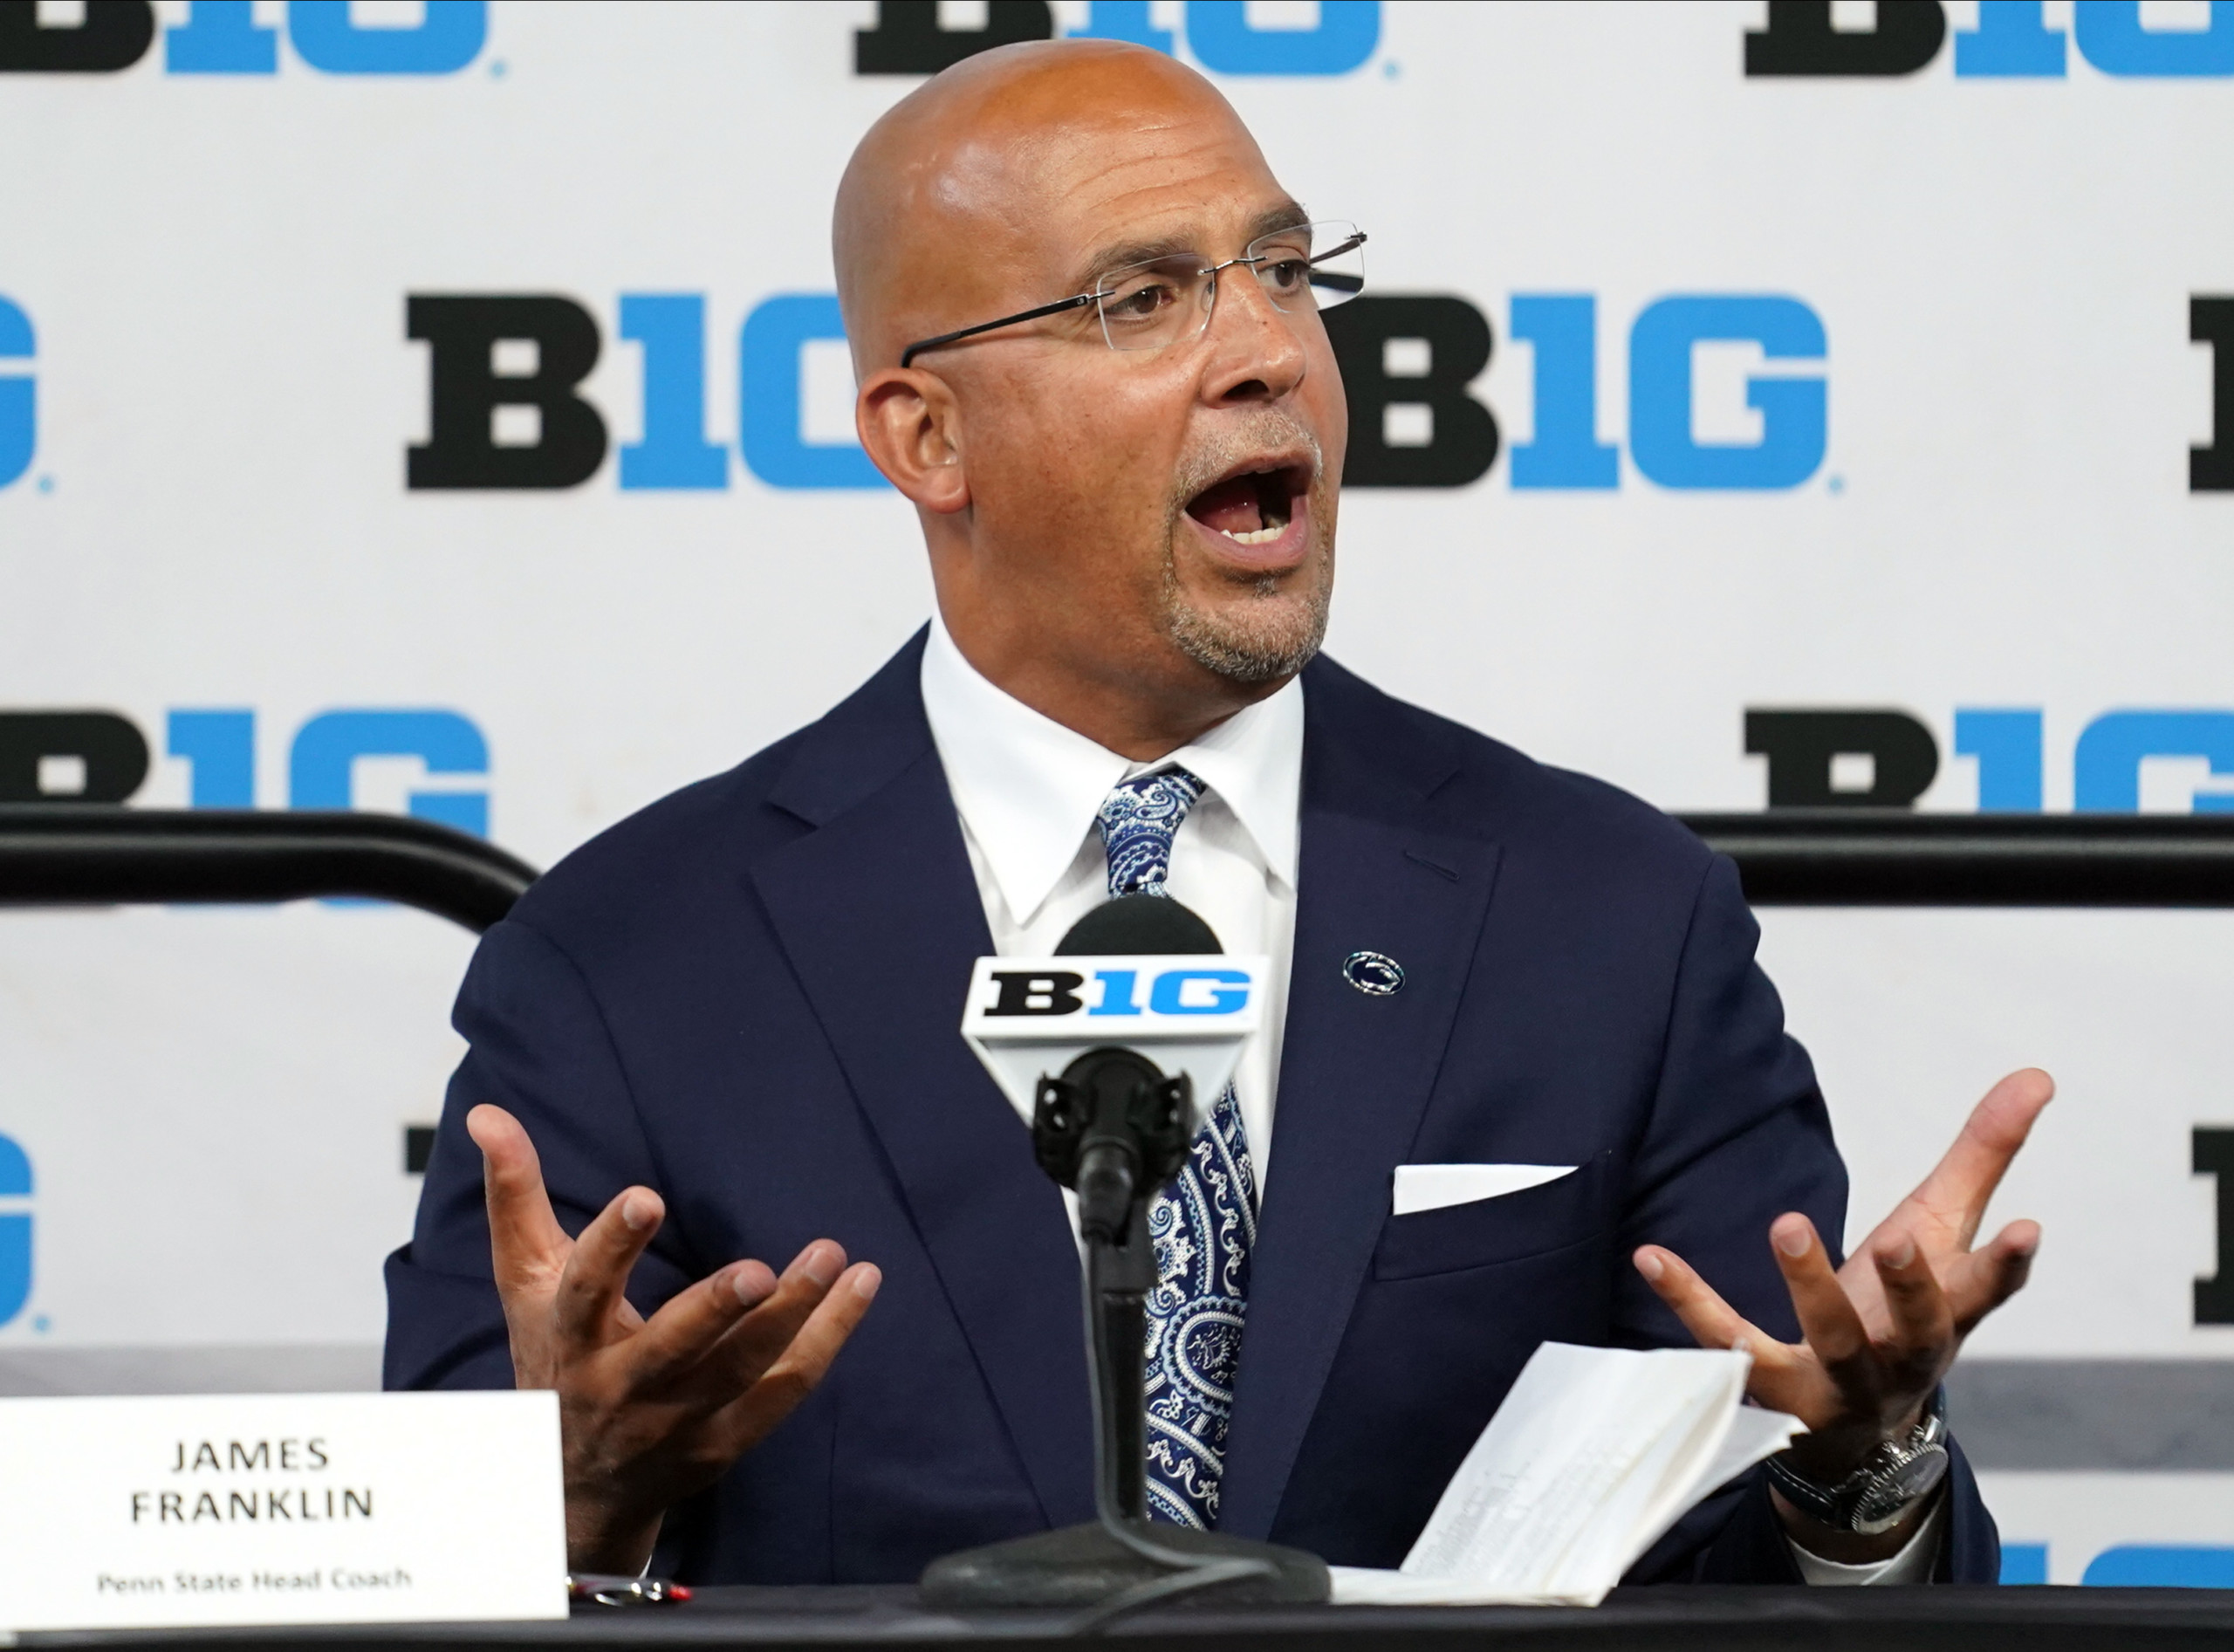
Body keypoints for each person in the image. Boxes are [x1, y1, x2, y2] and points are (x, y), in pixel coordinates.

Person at [385, 38, 2049, 1587]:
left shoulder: (1610, 917)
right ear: (928, 435)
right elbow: (441, 1575)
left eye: (1286, 270)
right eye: (1142, 299)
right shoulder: (629, 965)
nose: (1271, 353)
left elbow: (1764, 1547)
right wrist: (576, 1501)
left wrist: (1861, 1470)